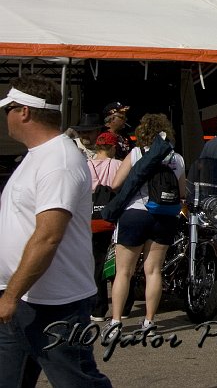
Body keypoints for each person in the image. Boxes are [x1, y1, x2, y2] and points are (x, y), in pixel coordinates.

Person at [0, 75, 112, 388]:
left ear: (24, 112)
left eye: (8, 109)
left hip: (53, 304)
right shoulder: (40, 156)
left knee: (76, 382)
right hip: (25, 296)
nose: (6, 117)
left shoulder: (58, 160)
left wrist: (10, 295)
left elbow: (49, 236)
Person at [107, 113, 186, 333]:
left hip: (135, 214)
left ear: (142, 132)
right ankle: (149, 322)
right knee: (154, 271)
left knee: (124, 271)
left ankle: (115, 322)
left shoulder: (136, 153)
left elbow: (115, 185)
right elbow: (181, 192)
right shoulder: (177, 158)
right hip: (164, 216)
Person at [87, 132, 122, 322]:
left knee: (97, 263)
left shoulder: (86, 166)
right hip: (115, 219)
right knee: (121, 264)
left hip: (92, 220)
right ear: (113, 147)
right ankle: (124, 305)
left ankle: (98, 308)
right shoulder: (118, 165)